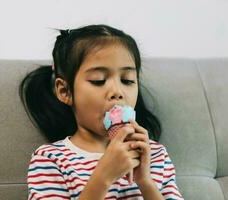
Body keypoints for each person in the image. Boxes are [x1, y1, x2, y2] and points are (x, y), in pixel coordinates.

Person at [19, 24, 184, 200]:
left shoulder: (155, 155)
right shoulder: (51, 159)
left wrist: (145, 182)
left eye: (127, 80)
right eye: (99, 80)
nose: (117, 92)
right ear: (65, 91)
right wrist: (103, 178)